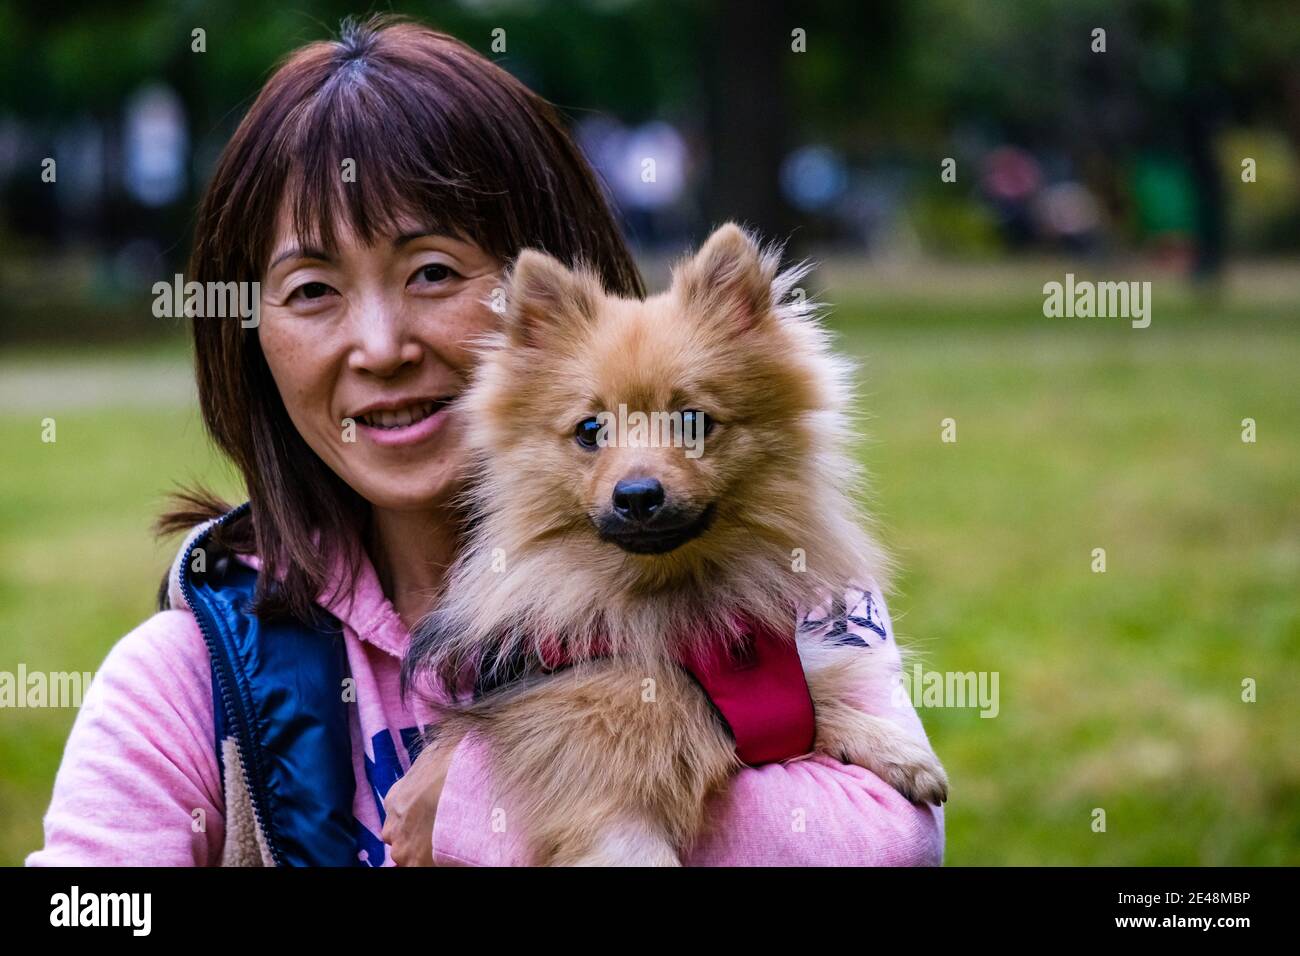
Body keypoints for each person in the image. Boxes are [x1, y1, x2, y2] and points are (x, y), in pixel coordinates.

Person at [27, 16, 943, 867]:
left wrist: (482, 801)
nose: (382, 347)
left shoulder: (768, 581)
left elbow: (890, 840)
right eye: (311, 290)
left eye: (432, 272)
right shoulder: (189, 679)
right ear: (249, 337)